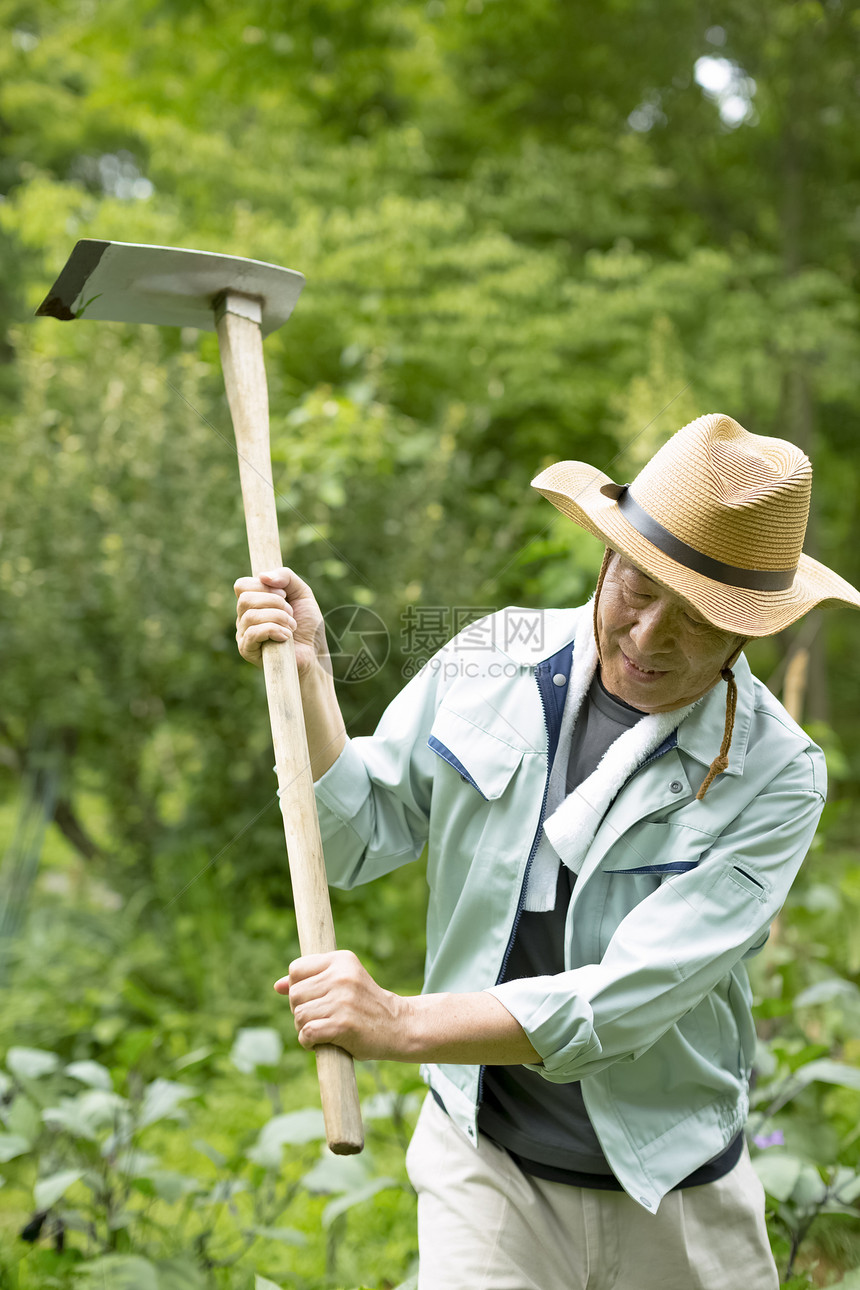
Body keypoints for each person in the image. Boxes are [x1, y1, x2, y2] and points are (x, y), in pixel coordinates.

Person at [234, 412, 860, 1290]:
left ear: (749, 634)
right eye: (638, 588)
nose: (647, 638)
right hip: (487, 1167)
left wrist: (400, 1022)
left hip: (672, 1189)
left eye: (695, 619)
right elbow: (357, 835)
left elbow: (627, 1000)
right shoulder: (495, 651)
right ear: (606, 557)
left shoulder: (776, 772)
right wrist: (308, 677)